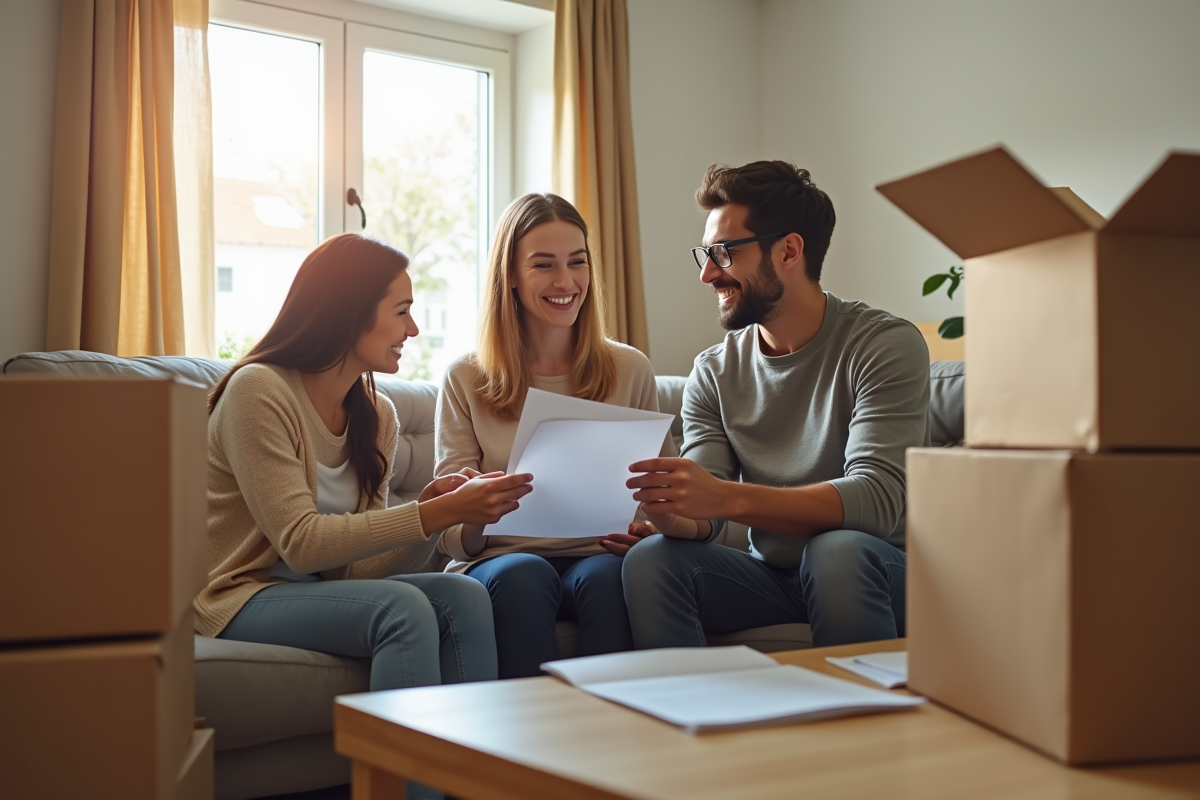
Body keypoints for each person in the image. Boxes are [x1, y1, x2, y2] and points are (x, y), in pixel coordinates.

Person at [195, 232, 534, 695]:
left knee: (467, 595)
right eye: (402, 312)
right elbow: (301, 543)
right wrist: (436, 513)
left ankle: (467, 766)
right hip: (242, 596)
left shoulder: (377, 416)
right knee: (402, 610)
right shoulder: (258, 391)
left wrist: (436, 511)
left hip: (317, 590)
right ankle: (399, 770)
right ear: (350, 313)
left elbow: (358, 571)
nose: (413, 330)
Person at [621, 161, 930, 648]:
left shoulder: (884, 344)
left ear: (789, 250)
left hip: (873, 568)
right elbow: (709, 508)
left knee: (836, 552)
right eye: (705, 253)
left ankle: (863, 721)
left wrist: (724, 498)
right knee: (653, 559)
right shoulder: (715, 370)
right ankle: (684, 714)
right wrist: (667, 511)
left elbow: (877, 501)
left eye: (723, 252)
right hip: (771, 577)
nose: (706, 274)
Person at [435, 193, 675, 679]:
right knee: (523, 576)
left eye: (577, 262)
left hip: (599, 555)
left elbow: (664, 492)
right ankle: (529, 742)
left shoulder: (630, 368)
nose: (566, 282)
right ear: (511, 277)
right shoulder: (466, 377)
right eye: (543, 265)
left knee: (612, 580)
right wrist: (479, 510)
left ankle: (612, 739)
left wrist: (648, 531)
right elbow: (449, 534)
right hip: (504, 562)